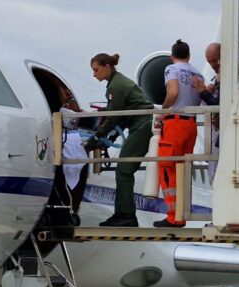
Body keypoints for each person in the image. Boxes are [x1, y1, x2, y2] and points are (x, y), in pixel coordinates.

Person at [84, 53, 153, 227]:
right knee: (124, 169)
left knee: (123, 170)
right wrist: (110, 136)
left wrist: (95, 139)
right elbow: (120, 116)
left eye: (96, 70)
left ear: (107, 67)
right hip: (138, 124)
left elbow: (113, 118)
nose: (94, 75)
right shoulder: (117, 83)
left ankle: (126, 215)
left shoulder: (116, 87)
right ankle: (123, 214)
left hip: (142, 125)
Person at [154, 39, 203, 228]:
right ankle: (181, 214)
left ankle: (173, 215)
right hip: (191, 124)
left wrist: (163, 110)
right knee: (182, 169)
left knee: (167, 167)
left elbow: (173, 92)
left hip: (174, 122)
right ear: (189, 56)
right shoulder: (197, 73)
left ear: (171, 56)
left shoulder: (171, 69)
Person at [193, 42, 221, 184]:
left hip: (223, 136)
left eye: (215, 60)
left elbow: (220, 106)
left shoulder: (230, 76)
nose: (213, 65)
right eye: (210, 62)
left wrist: (202, 92)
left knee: (218, 175)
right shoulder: (218, 78)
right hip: (217, 134)